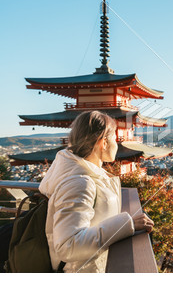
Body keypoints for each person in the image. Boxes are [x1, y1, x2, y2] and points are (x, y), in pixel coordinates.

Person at [39, 110, 154, 273]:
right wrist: (127, 225)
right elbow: (68, 245)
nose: (117, 143)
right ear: (103, 143)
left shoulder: (85, 174)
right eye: (114, 138)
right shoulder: (79, 182)